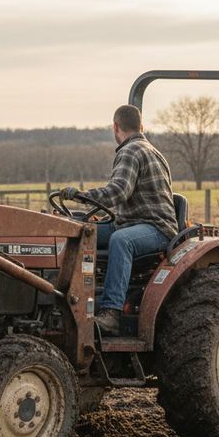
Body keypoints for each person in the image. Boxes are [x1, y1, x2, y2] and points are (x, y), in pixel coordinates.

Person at [61, 104, 178, 335]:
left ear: (116, 127)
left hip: (156, 227)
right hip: (133, 222)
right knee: (81, 229)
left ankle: (111, 312)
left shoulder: (131, 151)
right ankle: (73, 297)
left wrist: (82, 196)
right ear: (140, 125)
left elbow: (118, 192)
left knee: (121, 241)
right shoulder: (151, 150)